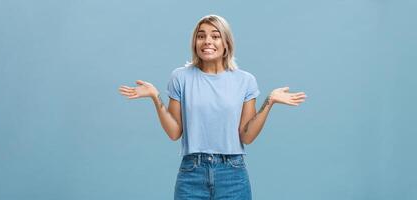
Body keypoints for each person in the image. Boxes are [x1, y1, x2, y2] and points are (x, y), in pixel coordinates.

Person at [118, 14, 306, 200]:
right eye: (201, 36)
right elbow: (174, 132)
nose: (207, 41)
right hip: (191, 172)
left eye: (215, 36)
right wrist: (155, 97)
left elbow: (246, 136)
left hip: (232, 173)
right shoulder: (180, 77)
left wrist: (269, 102)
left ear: (226, 43)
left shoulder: (245, 80)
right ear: (195, 42)